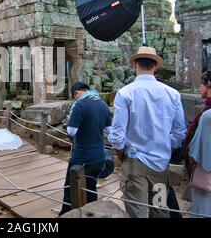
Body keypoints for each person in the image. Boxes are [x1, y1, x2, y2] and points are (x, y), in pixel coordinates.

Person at [108, 46, 187, 218]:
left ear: (135, 65)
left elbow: (116, 135)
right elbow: (180, 132)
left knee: (138, 212)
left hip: (135, 163)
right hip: (160, 166)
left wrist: (122, 152)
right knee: (160, 211)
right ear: (155, 66)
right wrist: (166, 144)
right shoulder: (172, 94)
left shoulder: (125, 93)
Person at [59, 82, 111, 215]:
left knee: (70, 186)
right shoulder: (103, 105)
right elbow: (108, 130)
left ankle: (67, 213)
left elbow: (71, 131)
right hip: (98, 155)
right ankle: (92, 213)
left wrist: (71, 121)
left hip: (81, 156)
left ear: (77, 93)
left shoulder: (80, 105)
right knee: (91, 185)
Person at [182, 70, 211, 217]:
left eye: (201, 84)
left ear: (208, 84)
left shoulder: (207, 116)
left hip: (206, 176)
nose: (199, 88)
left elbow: (196, 149)